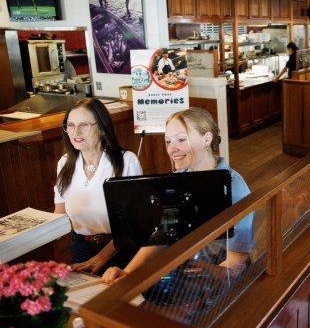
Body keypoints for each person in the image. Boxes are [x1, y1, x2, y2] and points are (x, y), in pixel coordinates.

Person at [102, 108, 252, 283]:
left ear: (207, 138)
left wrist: (192, 288)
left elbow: (236, 262)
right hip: (186, 275)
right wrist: (128, 273)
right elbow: (163, 232)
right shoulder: (181, 178)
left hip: (218, 280)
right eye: (168, 142)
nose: (172, 149)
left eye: (181, 139)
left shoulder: (235, 188)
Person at [54, 98, 143, 274]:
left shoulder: (126, 161)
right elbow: (60, 213)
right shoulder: (65, 163)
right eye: (70, 125)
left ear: (102, 128)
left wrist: (102, 257)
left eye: (84, 125)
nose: (75, 132)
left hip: (120, 249)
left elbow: (133, 221)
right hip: (80, 246)